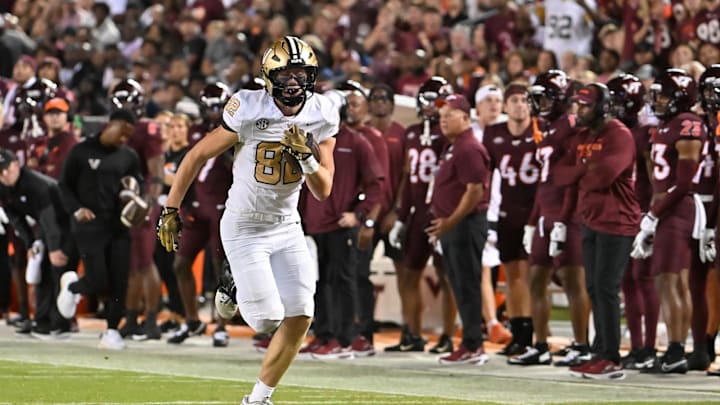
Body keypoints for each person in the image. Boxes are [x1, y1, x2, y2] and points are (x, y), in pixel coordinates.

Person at [157, 36, 338, 405]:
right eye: (286, 72)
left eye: (300, 72)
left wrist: (307, 158)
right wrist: (170, 208)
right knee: (268, 320)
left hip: (287, 224)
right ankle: (232, 283)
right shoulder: (248, 106)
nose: (293, 80)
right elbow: (194, 156)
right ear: (270, 76)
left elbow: (323, 190)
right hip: (244, 225)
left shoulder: (322, 112)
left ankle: (258, 398)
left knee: (302, 314)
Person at [553, 83, 639, 379]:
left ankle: (611, 357)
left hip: (617, 221)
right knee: (594, 288)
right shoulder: (583, 136)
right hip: (590, 219)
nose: (579, 109)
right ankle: (600, 350)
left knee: (605, 289)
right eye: (578, 104)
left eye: (586, 105)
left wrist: (582, 171)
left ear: (603, 106)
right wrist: (584, 169)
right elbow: (559, 175)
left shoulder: (619, 134)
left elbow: (602, 177)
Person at [630, 69, 705, 374]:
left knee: (670, 281)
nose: (657, 100)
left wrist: (654, 214)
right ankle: (675, 348)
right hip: (666, 207)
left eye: (663, 95)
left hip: (677, 208)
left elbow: (685, 182)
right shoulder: (665, 125)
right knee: (670, 281)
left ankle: (675, 350)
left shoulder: (688, 124)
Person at [301, 88, 384, 359]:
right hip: (315, 224)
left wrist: (359, 215)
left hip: (339, 224)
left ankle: (345, 339)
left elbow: (376, 185)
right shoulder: (310, 140)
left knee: (342, 282)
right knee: (318, 283)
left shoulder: (357, 142)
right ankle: (324, 334)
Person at [56, 109, 144, 350]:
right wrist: (76, 209)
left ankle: (112, 331)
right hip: (89, 224)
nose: (125, 139)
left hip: (118, 225)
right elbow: (64, 185)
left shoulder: (128, 156)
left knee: (120, 281)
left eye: (129, 135)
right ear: (110, 125)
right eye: (123, 132)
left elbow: (137, 183)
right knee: (97, 281)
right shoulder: (81, 151)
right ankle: (73, 287)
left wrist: (135, 200)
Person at [519, 70, 590, 365]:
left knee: (574, 281)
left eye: (544, 97)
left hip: (568, 214)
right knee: (536, 279)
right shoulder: (549, 129)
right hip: (547, 213)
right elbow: (545, 181)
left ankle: (582, 344)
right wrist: (533, 220)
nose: (538, 103)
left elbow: (574, 177)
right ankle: (540, 343)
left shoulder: (572, 126)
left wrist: (564, 217)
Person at [386, 76, 458, 354]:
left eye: (437, 101)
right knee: (409, 275)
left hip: (440, 212)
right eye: (428, 100)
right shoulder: (412, 132)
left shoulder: (448, 134)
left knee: (447, 275)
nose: (431, 107)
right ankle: (412, 333)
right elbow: (406, 174)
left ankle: (448, 335)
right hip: (417, 211)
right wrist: (401, 215)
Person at [167, 83, 233, 347]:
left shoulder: (237, 130)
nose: (213, 113)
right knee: (181, 264)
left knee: (221, 270)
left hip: (222, 208)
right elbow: (188, 168)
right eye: (209, 107)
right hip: (197, 208)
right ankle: (192, 320)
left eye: (218, 107)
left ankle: (221, 325)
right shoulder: (195, 131)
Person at [426, 93, 491, 365]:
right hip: (455, 225)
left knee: (467, 284)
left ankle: (473, 344)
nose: (443, 120)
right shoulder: (454, 146)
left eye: (449, 115)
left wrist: (450, 221)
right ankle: (470, 342)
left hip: (465, 225)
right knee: (460, 283)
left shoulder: (469, 148)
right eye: (441, 116)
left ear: (465, 117)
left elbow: (475, 191)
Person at [481, 83, 539, 354]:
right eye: (514, 100)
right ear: (505, 106)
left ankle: (532, 335)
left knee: (529, 277)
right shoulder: (493, 134)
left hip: (535, 215)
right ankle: (519, 333)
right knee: (513, 276)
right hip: (507, 213)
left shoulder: (540, 131)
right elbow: (485, 177)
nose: (519, 105)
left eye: (524, 100)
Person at [607, 74, 660, 370]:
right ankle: (637, 346)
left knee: (644, 279)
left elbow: (654, 178)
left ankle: (649, 346)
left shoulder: (645, 134)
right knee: (626, 280)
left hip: (641, 211)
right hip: (621, 212)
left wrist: (652, 215)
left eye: (615, 101)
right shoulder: (612, 131)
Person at [110, 78, 165, 342]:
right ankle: (131, 317)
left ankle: (152, 319)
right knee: (130, 265)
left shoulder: (147, 129)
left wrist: (149, 203)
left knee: (144, 263)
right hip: (123, 200)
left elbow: (156, 170)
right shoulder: (116, 129)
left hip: (141, 201)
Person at [0, 148, 76, 337]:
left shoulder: (36, 184)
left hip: (68, 223)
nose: (3, 175)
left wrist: (55, 247)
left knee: (58, 269)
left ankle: (61, 323)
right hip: (45, 224)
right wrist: (30, 244)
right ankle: (41, 320)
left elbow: (50, 217)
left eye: (6, 169)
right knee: (40, 270)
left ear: (16, 165)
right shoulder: (2, 186)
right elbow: (16, 218)